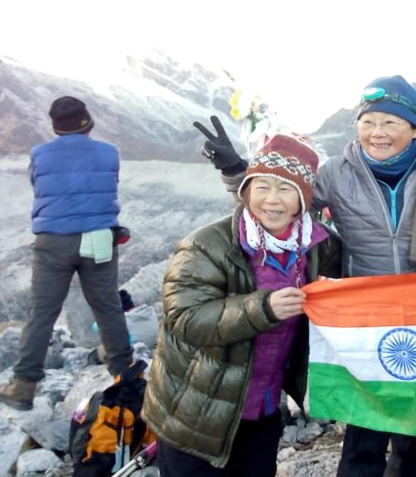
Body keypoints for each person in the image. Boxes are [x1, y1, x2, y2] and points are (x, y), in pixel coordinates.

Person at [197, 75, 416, 477]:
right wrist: (236, 173)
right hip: (363, 318)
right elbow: (277, 204)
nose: (377, 133)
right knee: (365, 432)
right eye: (368, 121)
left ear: (415, 129)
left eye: (391, 122)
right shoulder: (335, 174)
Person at [142, 134, 341, 476]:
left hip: (262, 409)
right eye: (261, 187)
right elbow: (185, 319)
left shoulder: (320, 248)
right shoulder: (206, 246)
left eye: (285, 189)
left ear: (303, 199)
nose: (272, 201)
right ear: (246, 191)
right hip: (194, 413)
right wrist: (262, 309)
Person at [0, 96, 134, 411]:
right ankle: (125, 375)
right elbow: (107, 185)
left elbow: (39, 187)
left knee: (42, 311)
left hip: (53, 242)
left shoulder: (40, 155)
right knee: (108, 307)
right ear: (89, 123)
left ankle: (24, 385)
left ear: (56, 127)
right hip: (99, 239)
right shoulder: (109, 153)